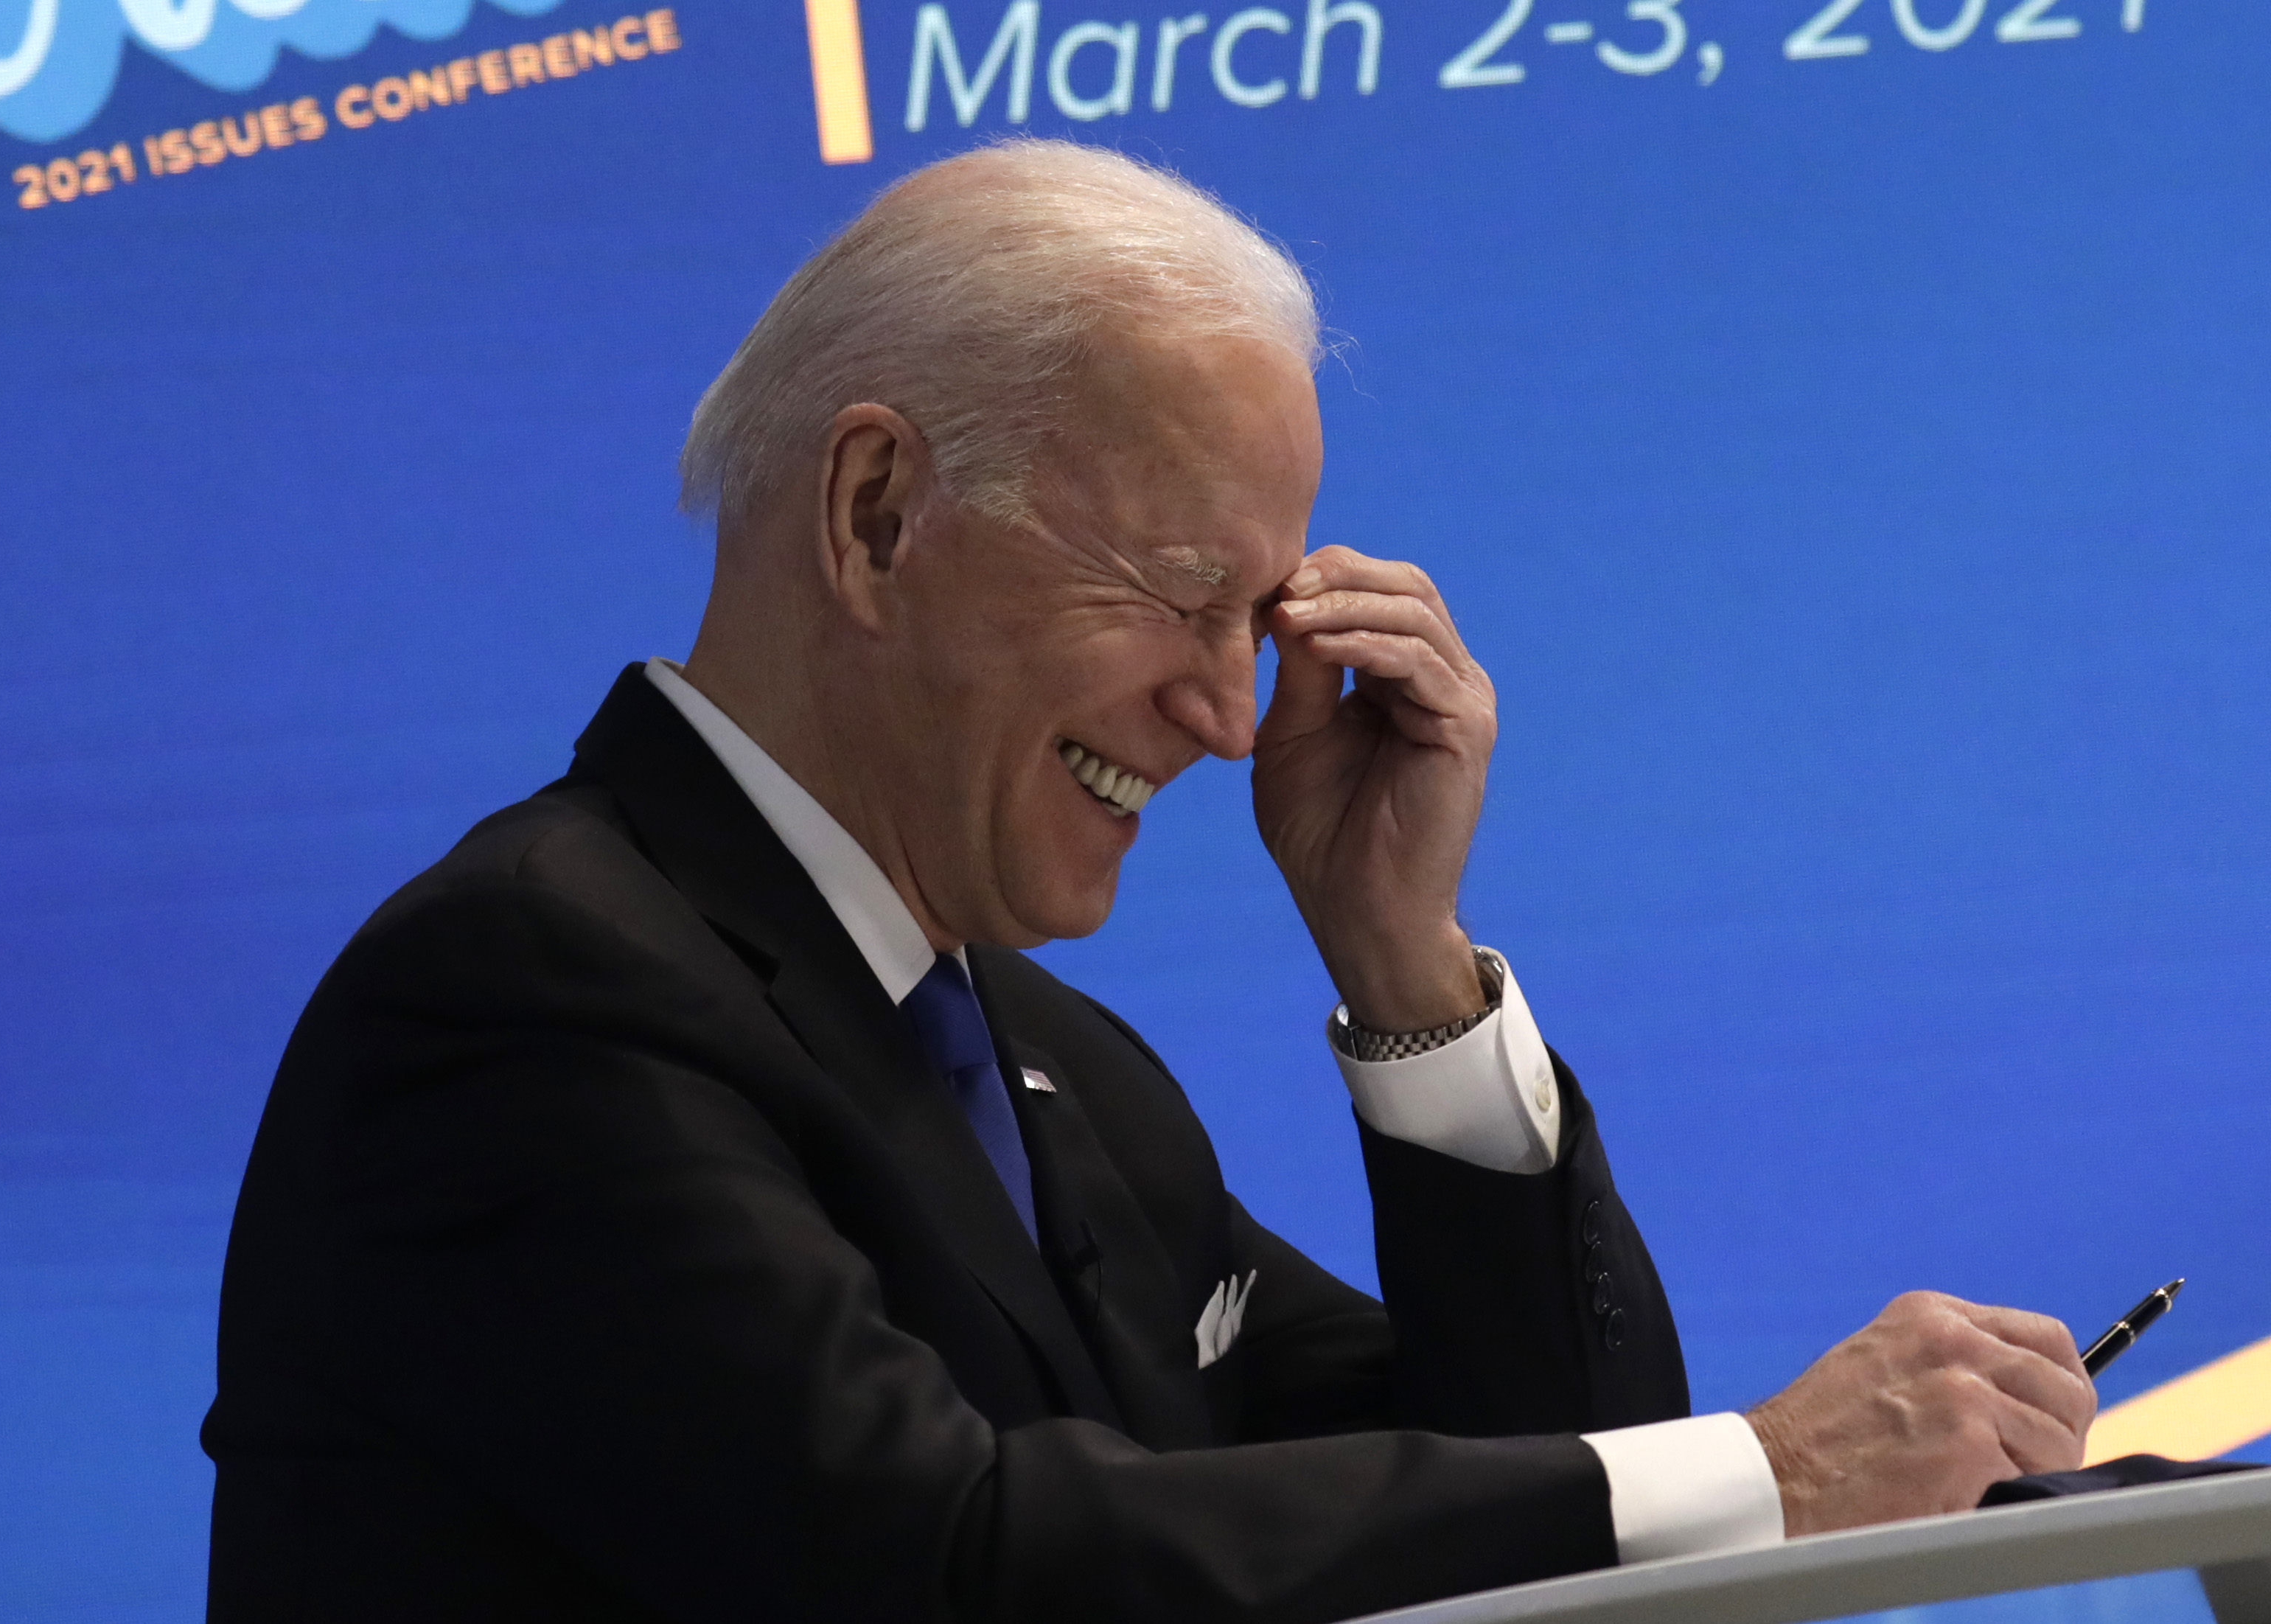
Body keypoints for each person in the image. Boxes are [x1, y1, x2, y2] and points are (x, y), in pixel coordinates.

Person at [201, 139, 2096, 1623]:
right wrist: (1768, 1470)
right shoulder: (526, 994)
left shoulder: (1057, 1070)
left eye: (1259, 619)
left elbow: (1509, 1502)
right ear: (877, 516)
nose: (1221, 710)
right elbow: (941, 1563)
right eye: (1185, 596)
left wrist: (1404, 965)